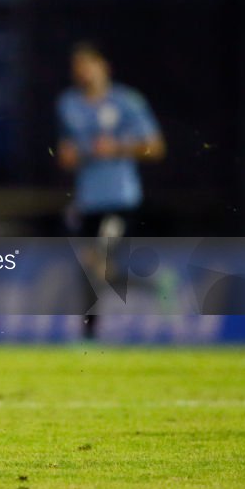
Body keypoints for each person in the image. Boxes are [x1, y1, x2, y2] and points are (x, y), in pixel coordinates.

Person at [56, 40, 165, 338]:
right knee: (91, 268)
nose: (83, 73)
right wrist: (68, 156)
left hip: (120, 198)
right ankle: (91, 334)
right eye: (78, 68)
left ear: (104, 67)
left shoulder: (127, 102)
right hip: (87, 200)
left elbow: (155, 148)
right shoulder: (69, 104)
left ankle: (91, 333)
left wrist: (117, 148)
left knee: (98, 262)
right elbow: (67, 151)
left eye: (88, 65)